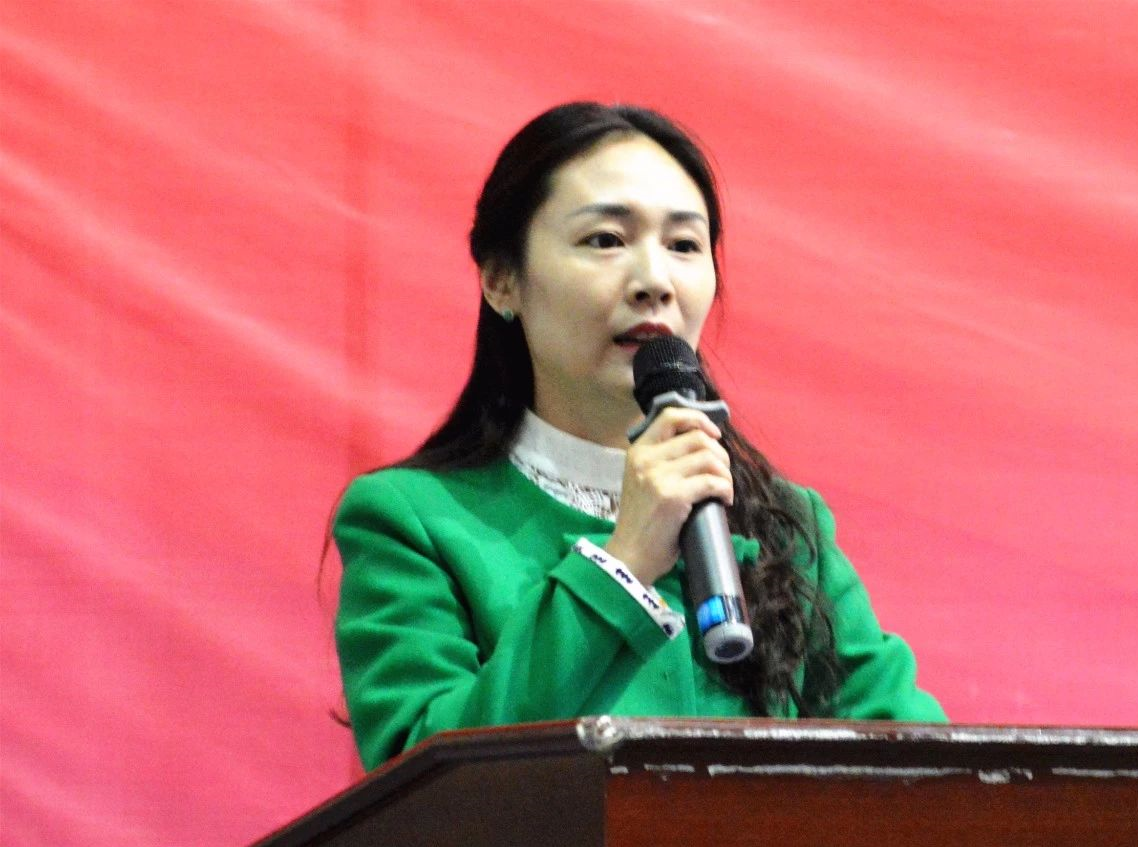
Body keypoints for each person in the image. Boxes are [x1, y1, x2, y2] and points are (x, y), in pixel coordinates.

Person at [333, 101, 946, 772]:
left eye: (684, 245)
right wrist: (623, 563)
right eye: (606, 240)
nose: (655, 281)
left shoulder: (788, 526)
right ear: (502, 279)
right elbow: (425, 779)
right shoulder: (411, 522)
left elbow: (922, 768)